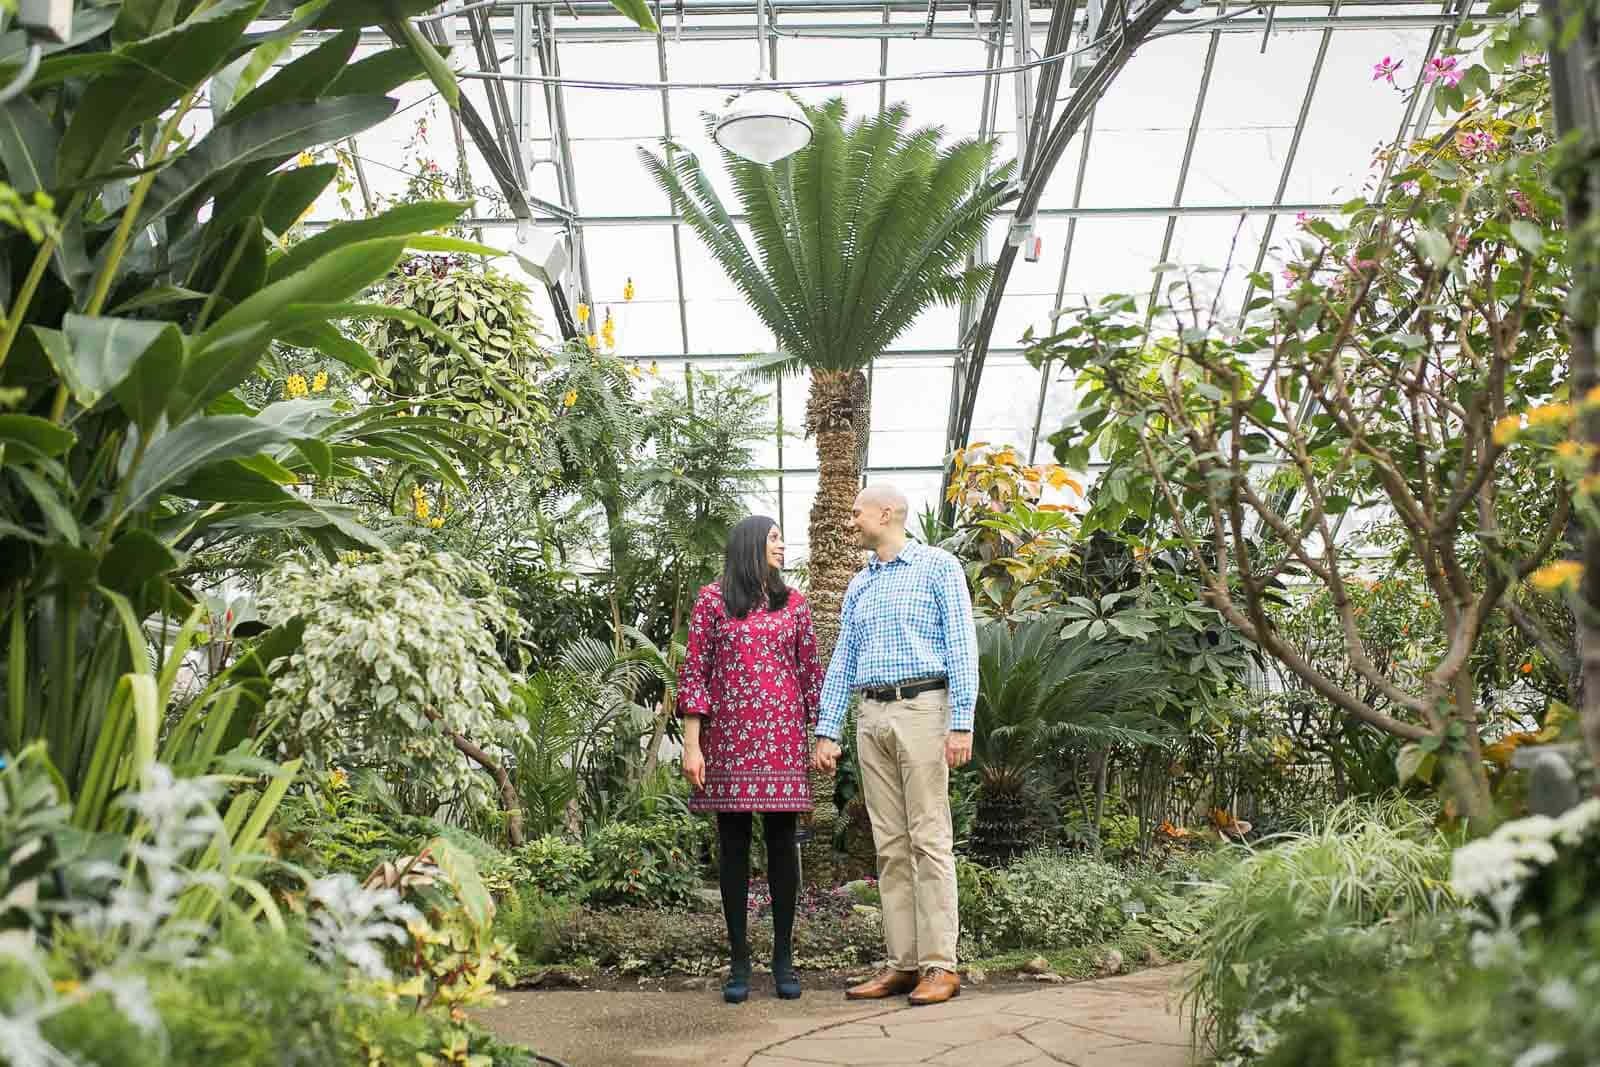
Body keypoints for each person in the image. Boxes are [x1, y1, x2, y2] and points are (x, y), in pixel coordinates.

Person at [812, 484, 977, 1006]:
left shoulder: (938, 567)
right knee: (890, 845)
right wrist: (827, 729)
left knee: (929, 838)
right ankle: (903, 964)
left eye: (856, 510)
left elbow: (961, 644)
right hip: (872, 715)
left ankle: (939, 965)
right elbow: (843, 659)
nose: (850, 519)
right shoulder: (858, 585)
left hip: (924, 709)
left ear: (886, 514)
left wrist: (962, 721)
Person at [677, 516, 824, 1004]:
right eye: (774, 538)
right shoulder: (711, 601)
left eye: (782, 538)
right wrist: (692, 745)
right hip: (729, 740)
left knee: (783, 846)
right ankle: (739, 960)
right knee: (734, 846)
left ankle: (783, 958)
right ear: (750, 545)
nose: (782, 546)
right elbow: (695, 673)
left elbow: (810, 674)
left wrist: (824, 735)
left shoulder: (794, 603)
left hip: (782, 741)